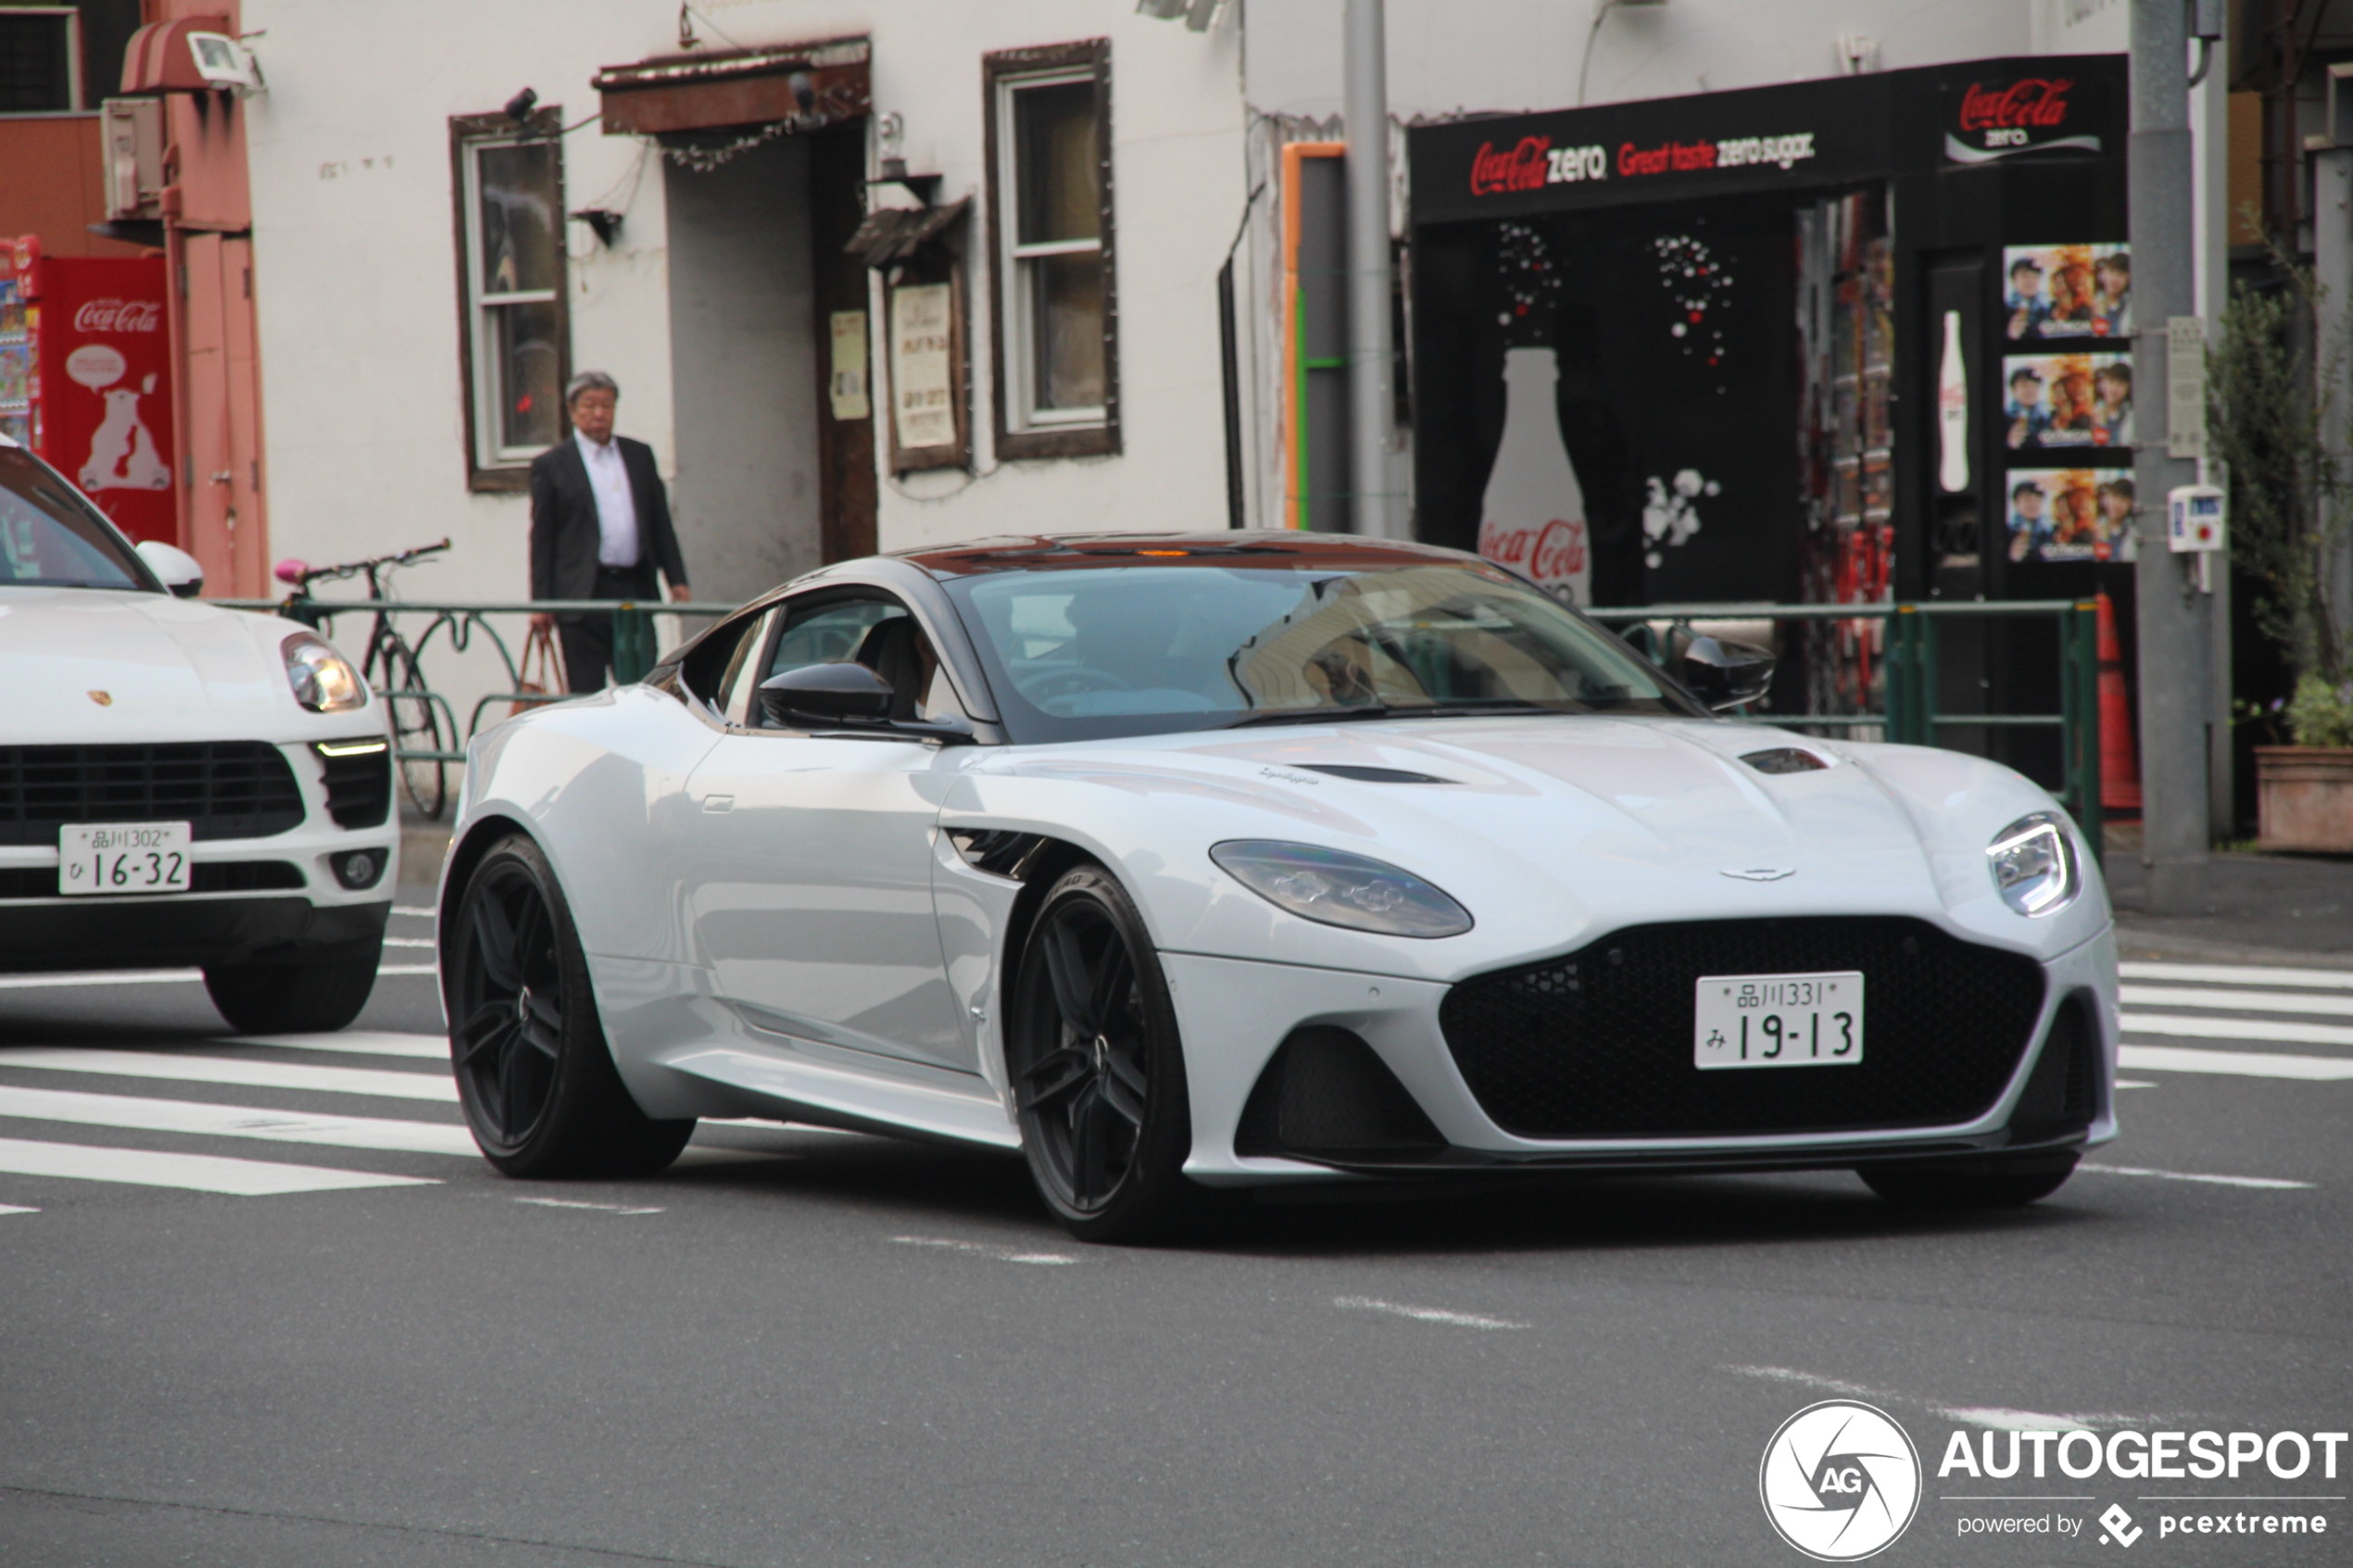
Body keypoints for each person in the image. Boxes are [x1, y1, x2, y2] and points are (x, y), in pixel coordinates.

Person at [528, 371, 691, 692]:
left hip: (632, 586)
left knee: (642, 685)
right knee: (587, 691)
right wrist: (541, 602)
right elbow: (542, 538)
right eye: (589, 405)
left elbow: (659, 521)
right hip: (581, 591)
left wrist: (677, 578)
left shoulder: (638, 455)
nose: (599, 413)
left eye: (606, 405)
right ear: (573, 411)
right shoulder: (553, 464)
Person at [2005, 365, 2050, 449]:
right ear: (2014, 389)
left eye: (2034, 386)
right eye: (2025, 385)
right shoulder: (2004, 418)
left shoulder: (2046, 418)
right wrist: (2011, 445)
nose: (2030, 390)